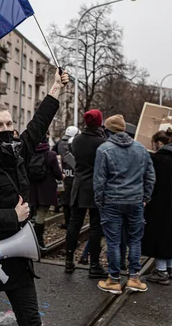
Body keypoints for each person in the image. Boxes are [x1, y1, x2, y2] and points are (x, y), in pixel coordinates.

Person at [0, 71, 68, 325]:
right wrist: (12, 216)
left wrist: (55, 90)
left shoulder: (16, 152)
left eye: (8, 124)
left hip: (17, 257)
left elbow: (38, 125)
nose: (5, 129)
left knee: (30, 320)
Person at [94, 115, 155, 294]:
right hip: (135, 200)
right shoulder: (141, 149)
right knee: (135, 239)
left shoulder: (104, 149)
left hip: (112, 200)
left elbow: (99, 180)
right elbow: (150, 176)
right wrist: (146, 197)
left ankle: (113, 280)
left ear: (108, 130)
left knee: (113, 241)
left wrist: (100, 202)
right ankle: (134, 278)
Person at [65, 109, 107, 278]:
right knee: (96, 226)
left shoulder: (76, 141)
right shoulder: (102, 143)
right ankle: (94, 265)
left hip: (78, 185)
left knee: (74, 223)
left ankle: (68, 261)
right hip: (95, 188)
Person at [143, 129, 172, 285]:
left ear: (159, 143)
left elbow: (150, 182)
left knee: (158, 235)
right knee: (171, 233)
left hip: (158, 204)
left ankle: (161, 272)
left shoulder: (156, 159)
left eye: (154, 143)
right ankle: (169, 267)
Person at [29, 136, 64, 248]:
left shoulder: (29, 153)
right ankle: (38, 241)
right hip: (46, 190)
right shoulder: (51, 155)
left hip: (32, 189)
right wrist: (62, 176)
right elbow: (58, 174)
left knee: (30, 214)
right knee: (41, 215)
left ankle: (30, 238)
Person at [54, 126, 78, 230]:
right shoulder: (76, 144)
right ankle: (72, 224)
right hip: (74, 177)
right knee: (73, 203)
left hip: (63, 175)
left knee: (65, 201)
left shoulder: (59, 143)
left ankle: (67, 222)